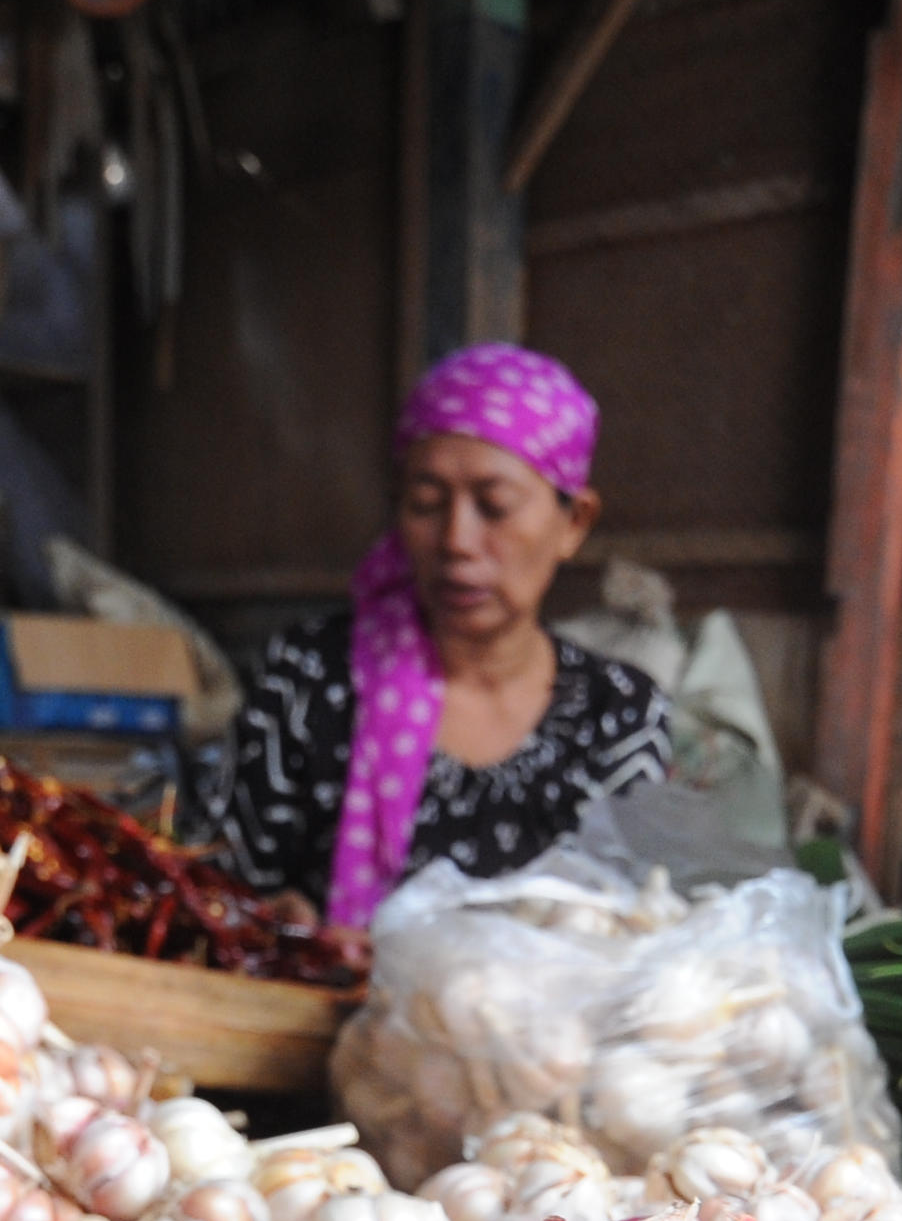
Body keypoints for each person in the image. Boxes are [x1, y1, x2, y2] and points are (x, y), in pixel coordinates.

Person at [200, 343, 671, 925]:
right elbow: (211, 890)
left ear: (574, 522)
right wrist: (274, 924)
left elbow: (636, 935)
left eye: (493, 507)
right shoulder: (309, 679)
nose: (456, 540)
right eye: (426, 503)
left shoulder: (620, 717)